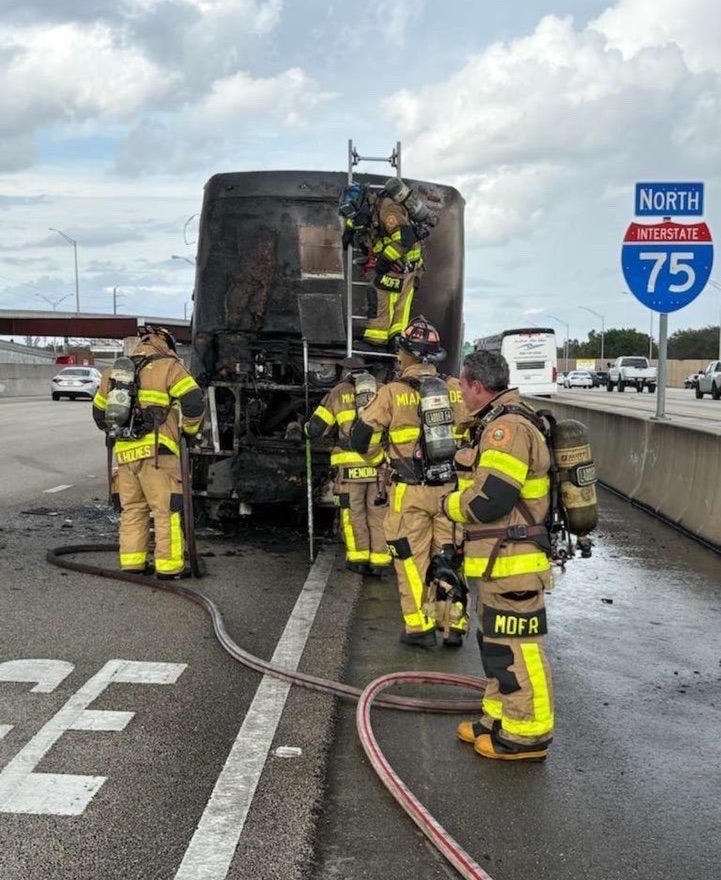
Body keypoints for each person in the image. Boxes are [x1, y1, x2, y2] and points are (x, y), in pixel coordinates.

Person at [441, 349, 554, 761]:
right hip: (498, 561)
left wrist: (448, 505)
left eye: (461, 386)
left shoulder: (507, 428)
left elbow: (491, 499)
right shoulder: (496, 422)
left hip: (515, 562)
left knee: (519, 648)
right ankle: (497, 718)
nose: (459, 395)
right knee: (494, 645)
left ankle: (529, 736)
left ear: (476, 385)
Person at [349, 316, 469, 648]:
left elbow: (360, 439)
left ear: (405, 354)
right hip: (450, 492)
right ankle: (453, 625)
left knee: (411, 562)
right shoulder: (456, 390)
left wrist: (379, 462)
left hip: (409, 494)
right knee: (446, 557)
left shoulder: (391, 393)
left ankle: (420, 628)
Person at [92, 326, 205, 579]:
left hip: (125, 454)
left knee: (133, 510)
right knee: (166, 511)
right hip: (158, 454)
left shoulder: (113, 373)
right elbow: (194, 401)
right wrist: (189, 430)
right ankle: (169, 568)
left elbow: (99, 415)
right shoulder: (170, 367)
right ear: (166, 345)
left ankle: (133, 563)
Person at [305, 356, 391, 576]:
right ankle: (380, 560)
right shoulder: (383, 390)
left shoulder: (338, 392)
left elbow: (317, 428)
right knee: (379, 512)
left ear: (344, 372)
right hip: (378, 464)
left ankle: (358, 559)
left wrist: (305, 429)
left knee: (352, 513)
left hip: (349, 468)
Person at [338, 180, 426, 350]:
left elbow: (403, 240)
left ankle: (384, 341)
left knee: (388, 301)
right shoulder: (367, 209)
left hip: (403, 264)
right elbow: (354, 219)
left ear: (363, 203)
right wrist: (349, 231)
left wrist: (384, 261)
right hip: (394, 263)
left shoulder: (388, 209)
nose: (356, 220)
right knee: (387, 301)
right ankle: (389, 340)